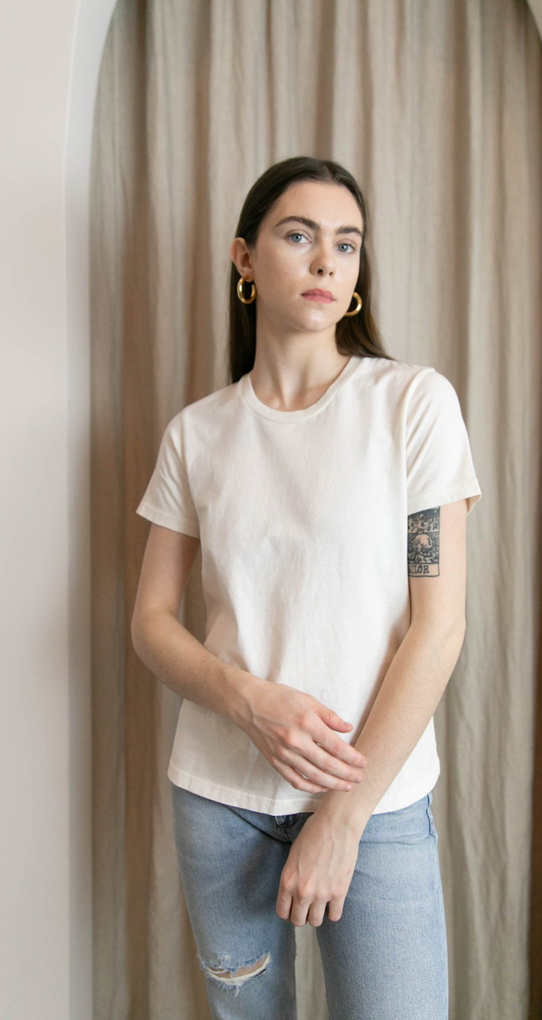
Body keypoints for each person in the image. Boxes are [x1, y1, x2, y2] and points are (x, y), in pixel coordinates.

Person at [131, 155, 481, 1020]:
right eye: (300, 236)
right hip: (221, 799)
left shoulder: (413, 404)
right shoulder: (197, 435)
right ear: (244, 258)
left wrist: (343, 816)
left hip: (377, 803)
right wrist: (248, 701)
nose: (327, 260)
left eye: (347, 243)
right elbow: (151, 621)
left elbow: (438, 628)